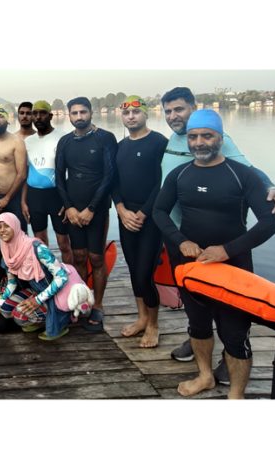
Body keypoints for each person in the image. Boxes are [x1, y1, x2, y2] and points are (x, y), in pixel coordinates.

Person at [153, 109, 275, 398]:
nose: (199, 142)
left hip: (234, 267)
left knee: (235, 334)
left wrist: (227, 250)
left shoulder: (241, 175)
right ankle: (206, 376)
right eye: (194, 137)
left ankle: (235, 395)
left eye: (207, 136)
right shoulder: (179, 174)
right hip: (193, 266)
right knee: (198, 326)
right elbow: (159, 211)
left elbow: (271, 220)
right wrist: (180, 240)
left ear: (220, 138)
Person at [55, 96, 117, 332]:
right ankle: (82, 301)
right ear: (69, 115)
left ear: (91, 113)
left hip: (96, 210)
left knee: (97, 258)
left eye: (83, 112)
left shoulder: (105, 138)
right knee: (78, 256)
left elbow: (109, 176)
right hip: (73, 209)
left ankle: (98, 305)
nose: (79, 117)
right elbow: (60, 176)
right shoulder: (65, 142)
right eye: (74, 113)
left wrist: (92, 208)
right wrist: (69, 206)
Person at [112, 96, 167, 348]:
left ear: (145, 114)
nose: (131, 117)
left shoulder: (159, 143)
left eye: (136, 112)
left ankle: (154, 325)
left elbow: (161, 183)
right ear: (121, 117)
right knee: (134, 269)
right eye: (127, 113)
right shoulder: (120, 147)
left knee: (146, 272)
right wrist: (121, 209)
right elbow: (114, 182)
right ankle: (142, 318)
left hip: (150, 218)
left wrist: (143, 213)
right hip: (126, 217)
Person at [0, 212, 71, 341]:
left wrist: (37, 300)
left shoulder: (37, 248)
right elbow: (11, 283)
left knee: (19, 315)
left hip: (54, 295)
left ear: (15, 226)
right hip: (35, 291)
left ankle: (61, 321)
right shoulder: (7, 251)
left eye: (6, 226)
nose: (2, 230)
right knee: (5, 309)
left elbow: (62, 277)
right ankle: (39, 321)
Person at [21, 100, 72, 262]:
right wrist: (23, 201)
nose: (38, 117)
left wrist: (67, 201)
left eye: (42, 113)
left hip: (57, 196)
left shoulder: (62, 138)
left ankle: (71, 279)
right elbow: (25, 173)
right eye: (34, 114)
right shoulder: (28, 142)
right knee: (41, 244)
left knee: (64, 243)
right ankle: (49, 278)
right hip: (35, 197)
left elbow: (70, 172)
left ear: (50, 116)